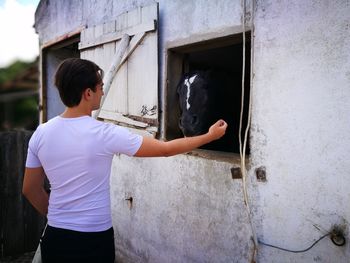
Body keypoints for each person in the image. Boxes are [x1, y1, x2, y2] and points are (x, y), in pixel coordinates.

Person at [22, 58, 227, 263]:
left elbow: (30, 189)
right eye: (100, 87)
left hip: (55, 237)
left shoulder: (42, 133)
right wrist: (209, 136)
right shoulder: (104, 134)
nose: (102, 92)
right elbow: (165, 149)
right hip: (92, 240)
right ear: (88, 93)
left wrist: (58, 216)